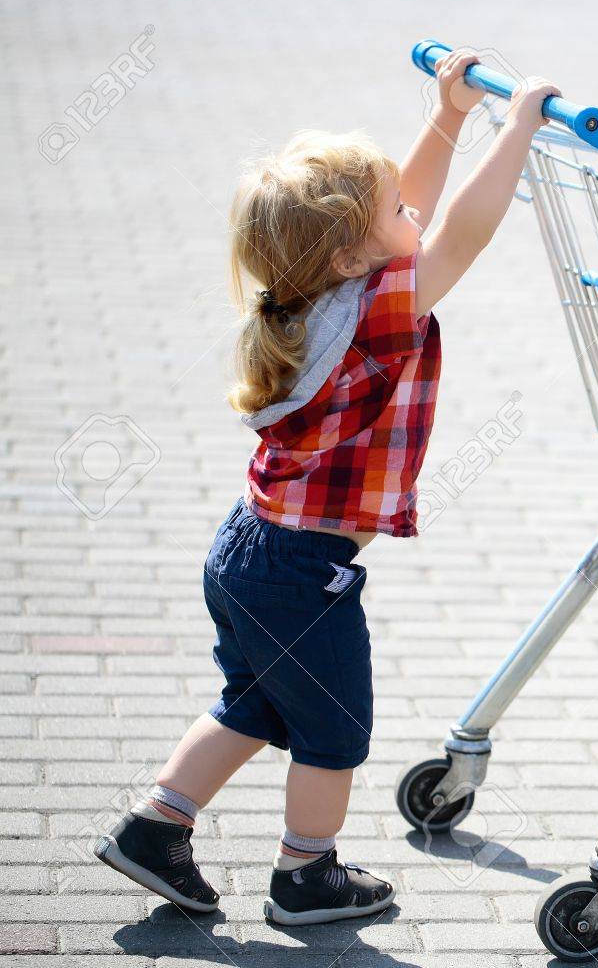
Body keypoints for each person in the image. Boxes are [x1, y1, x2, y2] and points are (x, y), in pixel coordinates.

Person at [95, 50, 558, 925]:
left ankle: (155, 827)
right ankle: (306, 875)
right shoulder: (377, 316)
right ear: (351, 251)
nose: (408, 210)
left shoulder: (317, 294)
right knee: (335, 731)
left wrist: (449, 115)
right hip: (304, 575)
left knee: (253, 701)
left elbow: (406, 213)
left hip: (247, 552)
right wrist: (519, 127)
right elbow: (460, 231)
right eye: (391, 209)